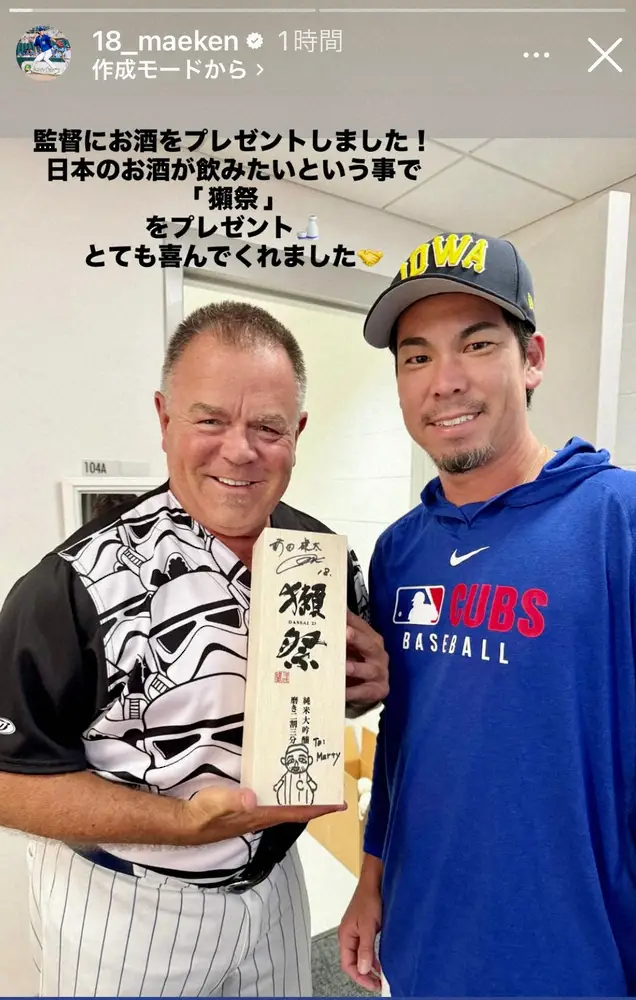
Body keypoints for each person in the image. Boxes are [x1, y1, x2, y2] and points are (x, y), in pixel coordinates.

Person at [0, 300, 388, 997]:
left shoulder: (321, 556)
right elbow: (7, 782)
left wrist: (363, 687)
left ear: (297, 431)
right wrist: (182, 822)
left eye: (267, 426)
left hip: (275, 884)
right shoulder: (72, 586)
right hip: (124, 906)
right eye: (210, 420)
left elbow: (335, 697)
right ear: (163, 419)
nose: (239, 450)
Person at [338, 230, 636, 997]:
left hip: (581, 956)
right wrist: (371, 878)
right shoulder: (399, 550)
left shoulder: (617, 519)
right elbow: (403, 740)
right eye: (417, 357)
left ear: (532, 359)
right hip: (428, 940)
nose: (445, 381)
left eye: (476, 344)